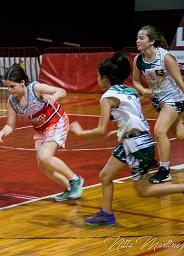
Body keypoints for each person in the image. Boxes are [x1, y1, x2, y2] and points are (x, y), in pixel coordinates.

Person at [70, 52, 184, 226]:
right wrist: (120, 132)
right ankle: (106, 214)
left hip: (135, 145)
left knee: (143, 191)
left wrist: (80, 132)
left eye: (98, 76)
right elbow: (131, 116)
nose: (97, 79)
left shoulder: (107, 98)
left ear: (105, 78)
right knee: (105, 176)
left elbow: (100, 130)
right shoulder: (130, 90)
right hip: (137, 141)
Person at [0, 63, 84, 202]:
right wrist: (1, 133)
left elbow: (62, 91)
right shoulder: (12, 101)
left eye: (12, 86)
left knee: (45, 156)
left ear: (22, 83)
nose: (9, 90)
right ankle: (69, 188)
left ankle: (76, 180)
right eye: (7, 86)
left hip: (56, 120)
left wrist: (53, 98)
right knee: (42, 164)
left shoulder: (35, 88)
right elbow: (10, 125)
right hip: (41, 128)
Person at [132, 25, 184, 184]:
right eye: (137, 37)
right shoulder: (138, 59)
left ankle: (164, 170)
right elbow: (135, 81)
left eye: (142, 38)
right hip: (159, 100)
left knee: (160, 131)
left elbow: (179, 81)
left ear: (152, 41)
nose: (137, 40)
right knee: (180, 134)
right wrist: (143, 90)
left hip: (174, 98)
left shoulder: (165, 57)